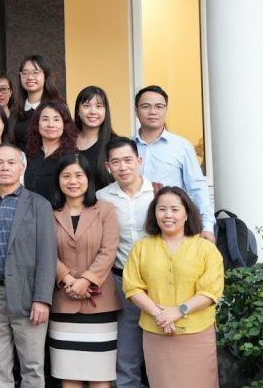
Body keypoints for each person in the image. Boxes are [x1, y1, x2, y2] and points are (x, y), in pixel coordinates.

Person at [123, 187, 224, 388]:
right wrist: (159, 314)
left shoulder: (206, 249)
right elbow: (132, 287)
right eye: (162, 209)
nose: (168, 215)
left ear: (187, 214)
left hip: (196, 334)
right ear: (154, 213)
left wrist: (179, 310)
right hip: (156, 331)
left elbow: (210, 291)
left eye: (175, 209)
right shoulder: (141, 248)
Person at [0, 144, 56, 388]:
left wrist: (42, 299)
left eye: (11, 162)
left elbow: (47, 254)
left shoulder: (39, 204)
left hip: (28, 295)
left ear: (22, 167)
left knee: (32, 366)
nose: (5, 167)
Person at [48, 154, 120, 388]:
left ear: (88, 178)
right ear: (58, 179)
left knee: (100, 376)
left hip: (100, 304)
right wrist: (68, 279)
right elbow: (46, 250)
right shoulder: (49, 212)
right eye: (66, 176)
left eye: (79, 175)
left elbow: (108, 250)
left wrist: (86, 281)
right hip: (63, 301)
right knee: (69, 375)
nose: (73, 181)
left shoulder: (105, 210)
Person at [96, 137, 156, 388]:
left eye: (128, 160)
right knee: (127, 346)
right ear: (108, 166)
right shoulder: (101, 197)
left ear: (139, 161)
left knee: (160, 342)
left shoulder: (158, 192)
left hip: (159, 280)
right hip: (121, 280)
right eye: (116, 162)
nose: (123, 167)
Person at [132, 85, 216, 240]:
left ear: (166, 110)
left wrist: (207, 226)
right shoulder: (127, 147)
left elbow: (197, 188)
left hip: (171, 229)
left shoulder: (181, 146)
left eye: (159, 106)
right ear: (136, 111)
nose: (153, 111)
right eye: (146, 106)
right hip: (133, 228)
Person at [23, 101, 78, 202]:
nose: (50, 125)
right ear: (37, 123)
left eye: (56, 119)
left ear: (64, 125)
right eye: (45, 119)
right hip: (27, 210)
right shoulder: (29, 154)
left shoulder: (72, 157)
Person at [9, 55, 64, 146]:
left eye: (35, 72)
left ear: (45, 76)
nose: (30, 77)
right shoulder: (15, 109)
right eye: (25, 73)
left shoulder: (57, 107)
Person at [74, 85, 118, 191]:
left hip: (105, 201)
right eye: (87, 106)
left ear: (105, 111)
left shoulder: (115, 144)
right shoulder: (67, 141)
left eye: (99, 106)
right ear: (78, 111)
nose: (93, 111)